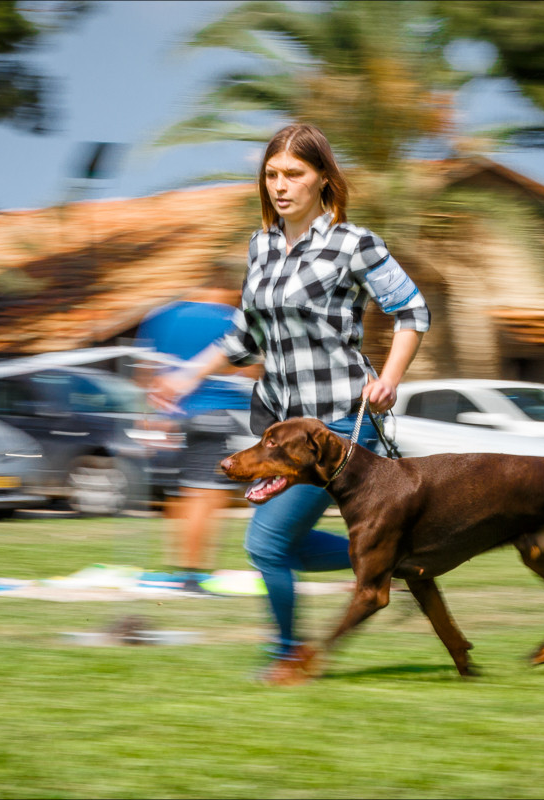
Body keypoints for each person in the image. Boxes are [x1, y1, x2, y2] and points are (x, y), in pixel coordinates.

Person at [153, 122, 429, 685]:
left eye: (294, 174)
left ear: (322, 179)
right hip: (283, 427)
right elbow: (244, 337)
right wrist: (185, 376)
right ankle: (397, 557)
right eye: (272, 175)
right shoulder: (261, 247)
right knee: (284, 545)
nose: (280, 186)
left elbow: (412, 311)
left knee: (266, 542)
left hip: (341, 425)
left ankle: (289, 655)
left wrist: (392, 377)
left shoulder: (355, 244)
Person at [134, 273, 256, 593]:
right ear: (225, 288)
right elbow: (248, 365)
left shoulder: (161, 314)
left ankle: (180, 567)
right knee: (205, 492)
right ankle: (192, 574)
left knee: (181, 492)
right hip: (214, 413)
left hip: (170, 415)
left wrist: (150, 415)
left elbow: (145, 371)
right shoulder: (235, 317)